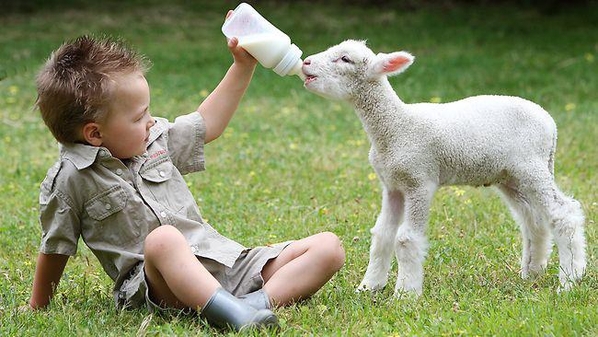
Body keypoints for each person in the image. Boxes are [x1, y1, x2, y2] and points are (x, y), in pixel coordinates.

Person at [27, 17, 345, 332]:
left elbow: (208, 123)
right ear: (95, 134)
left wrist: (243, 66)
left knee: (328, 248)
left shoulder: (154, 141)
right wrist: (38, 305)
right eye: (139, 117)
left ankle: (250, 306)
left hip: (217, 262)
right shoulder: (71, 179)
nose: (151, 121)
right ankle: (230, 310)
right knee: (164, 240)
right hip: (156, 285)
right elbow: (55, 247)